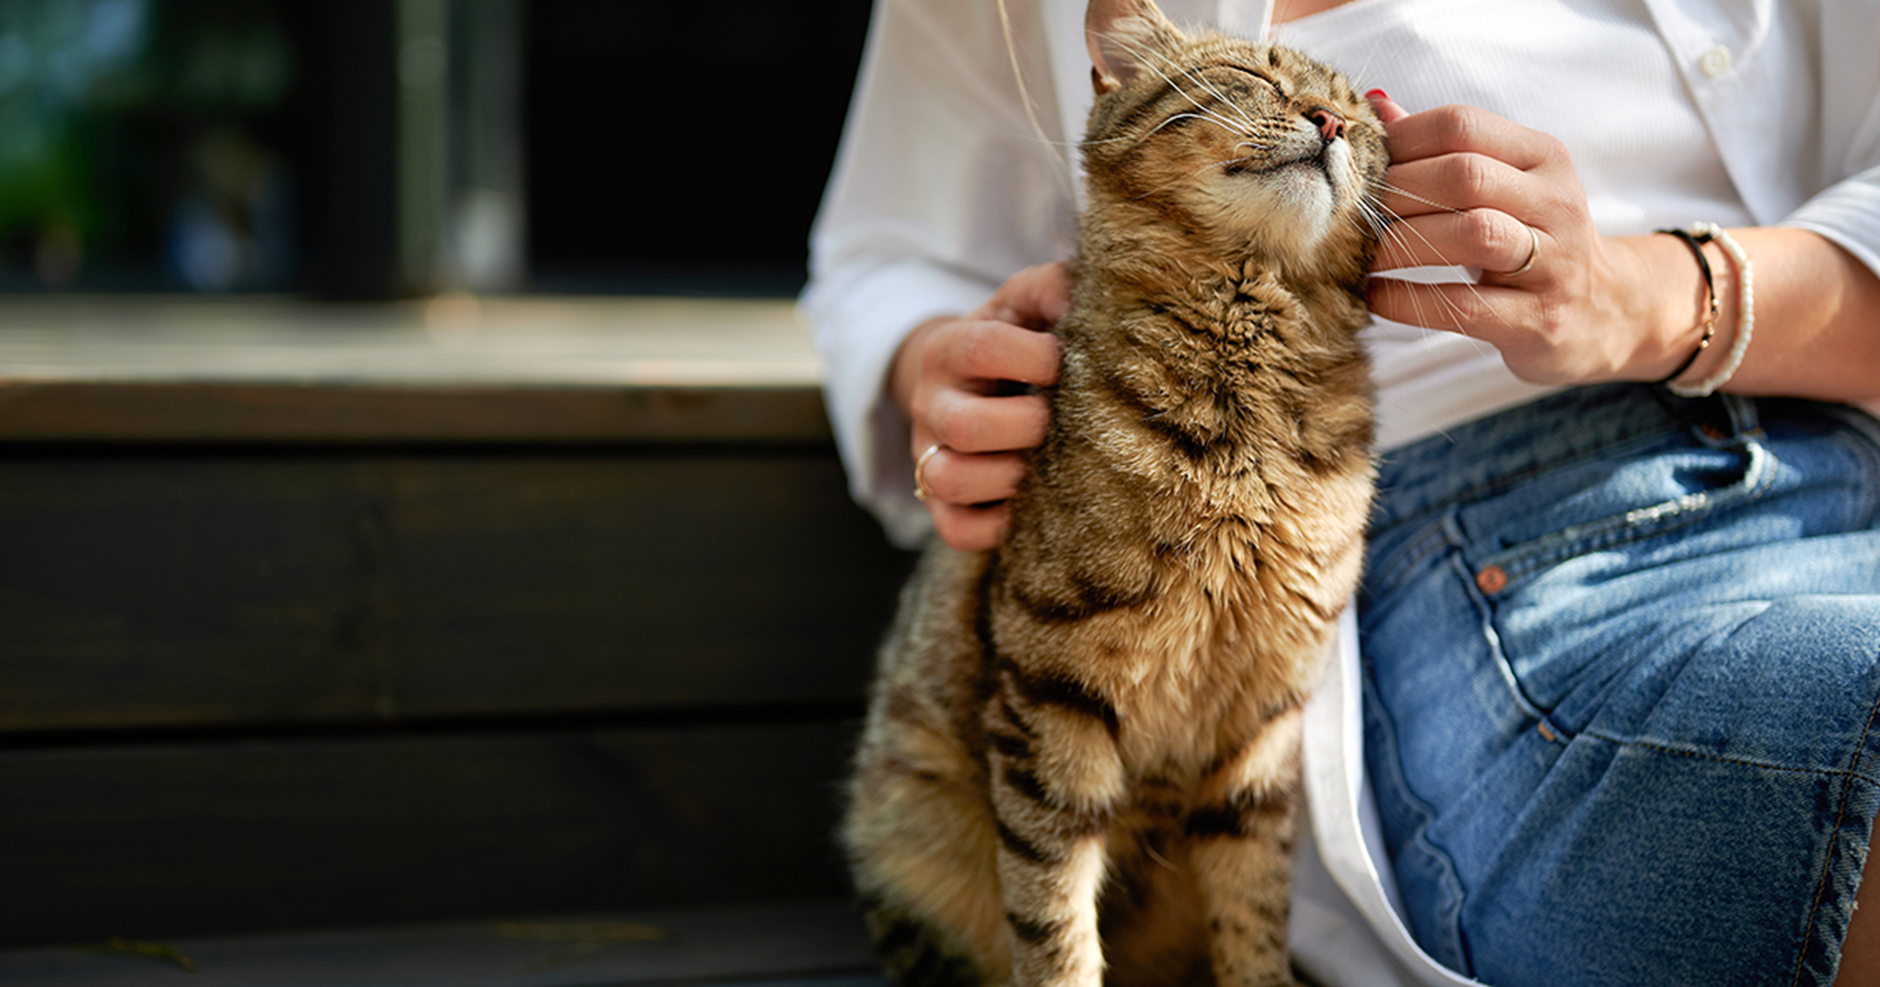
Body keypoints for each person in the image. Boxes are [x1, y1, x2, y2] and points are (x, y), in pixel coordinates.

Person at [801, 0, 1880, 983]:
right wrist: (938, 364)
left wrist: (1653, 291)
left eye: (1339, 115)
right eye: (1269, 97)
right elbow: (890, 253)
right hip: (1492, 557)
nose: (1321, 124)